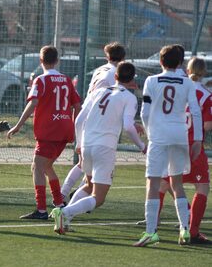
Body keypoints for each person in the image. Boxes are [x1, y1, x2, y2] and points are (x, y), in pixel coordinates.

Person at [50, 62, 146, 234]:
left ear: (115, 76)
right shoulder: (129, 98)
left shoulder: (99, 92)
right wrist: (142, 146)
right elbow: (128, 126)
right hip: (104, 148)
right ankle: (64, 212)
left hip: (87, 143)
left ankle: (65, 220)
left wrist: (79, 145)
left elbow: (79, 120)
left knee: (88, 184)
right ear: (132, 79)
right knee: (98, 197)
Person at [136, 57, 212, 244]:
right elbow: (206, 123)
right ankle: (189, 230)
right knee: (198, 186)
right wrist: (198, 138)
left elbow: (145, 111)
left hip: (162, 137)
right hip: (188, 141)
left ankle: (152, 227)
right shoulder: (201, 92)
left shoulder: (155, 81)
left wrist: (149, 131)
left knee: (159, 183)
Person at [7, 45, 81, 220]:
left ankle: (41, 210)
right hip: (65, 129)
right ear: (57, 61)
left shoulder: (40, 80)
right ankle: (59, 203)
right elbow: (77, 106)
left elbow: (33, 103)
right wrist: (74, 127)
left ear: (41, 61)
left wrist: (18, 125)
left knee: (37, 167)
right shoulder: (66, 80)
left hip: (49, 130)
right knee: (46, 166)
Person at [61, 42, 127, 202]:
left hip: (88, 114)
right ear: (123, 58)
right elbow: (112, 98)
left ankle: (66, 194)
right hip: (98, 119)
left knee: (86, 163)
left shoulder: (100, 70)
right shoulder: (114, 74)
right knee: (90, 164)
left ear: (107, 56)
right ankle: (69, 196)